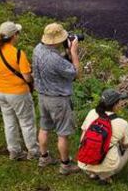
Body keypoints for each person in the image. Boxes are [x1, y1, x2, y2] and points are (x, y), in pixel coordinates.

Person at [32, 22, 81, 175]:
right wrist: (73, 52)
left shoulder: (37, 49)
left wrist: (65, 50)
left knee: (44, 128)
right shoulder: (55, 60)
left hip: (42, 96)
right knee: (62, 133)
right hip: (58, 99)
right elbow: (76, 73)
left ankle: (44, 157)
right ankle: (65, 165)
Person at [0, 21, 39, 160]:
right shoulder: (18, 53)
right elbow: (27, 78)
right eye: (18, 33)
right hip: (18, 93)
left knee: (9, 121)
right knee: (27, 122)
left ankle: (14, 151)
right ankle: (33, 151)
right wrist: (35, 75)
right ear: (14, 36)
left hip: (0, 91)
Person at [78, 89, 128, 185]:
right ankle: (105, 176)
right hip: (107, 167)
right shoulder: (122, 123)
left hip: (83, 163)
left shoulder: (92, 112)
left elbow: (82, 137)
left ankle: (92, 173)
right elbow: (126, 145)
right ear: (116, 105)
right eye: (119, 101)